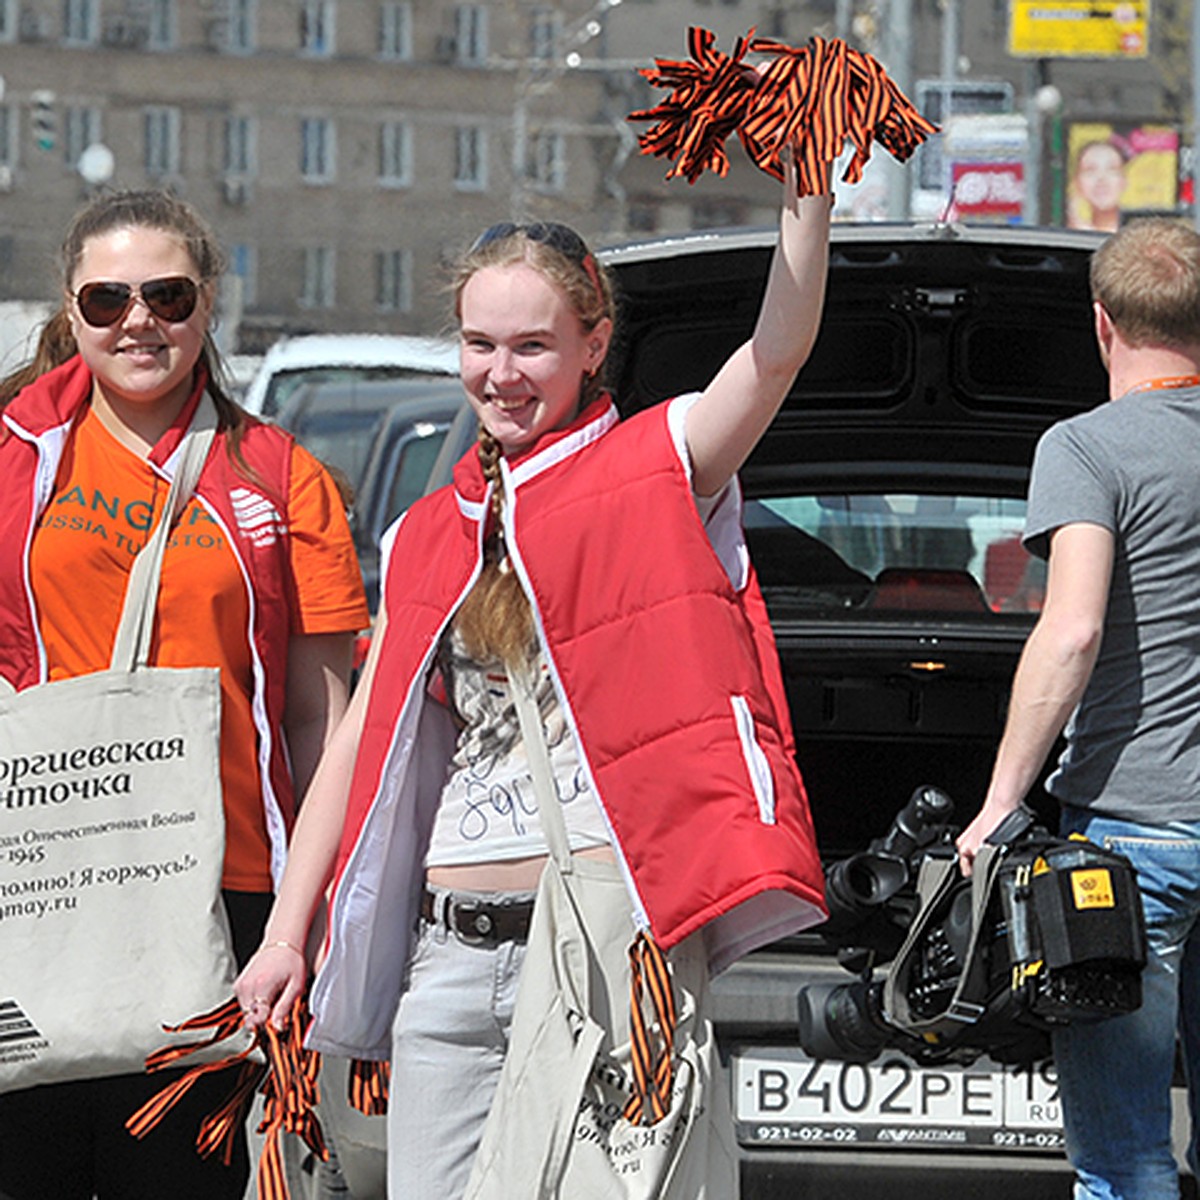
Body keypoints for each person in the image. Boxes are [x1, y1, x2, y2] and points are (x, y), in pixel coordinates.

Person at [235, 152, 830, 1199]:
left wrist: (808, 202)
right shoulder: (433, 528)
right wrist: (289, 937)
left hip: (595, 949)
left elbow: (775, 355)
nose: (500, 374)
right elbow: (363, 751)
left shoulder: (656, 467)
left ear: (594, 346)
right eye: (478, 345)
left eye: (532, 347)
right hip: (446, 961)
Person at [0, 189, 369, 1200]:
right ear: (71, 310)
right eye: (107, 298)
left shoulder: (283, 476)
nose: (138, 321)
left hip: (218, 898)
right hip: (39, 894)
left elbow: (320, 720)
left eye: (166, 294)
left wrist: (298, 925)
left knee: (176, 1181)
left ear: (208, 302)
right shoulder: (12, 455)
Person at [956, 217, 1200, 1200]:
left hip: (1135, 843)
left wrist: (1000, 803)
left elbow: (1072, 631)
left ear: (1102, 325)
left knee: (1124, 1154)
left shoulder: (1087, 449)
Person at [1067, 138, 1129, 234]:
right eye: (1090, 170)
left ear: (1123, 181)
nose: (1101, 179)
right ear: (1077, 182)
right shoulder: (1066, 234)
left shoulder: (1140, 236)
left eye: (1112, 169)